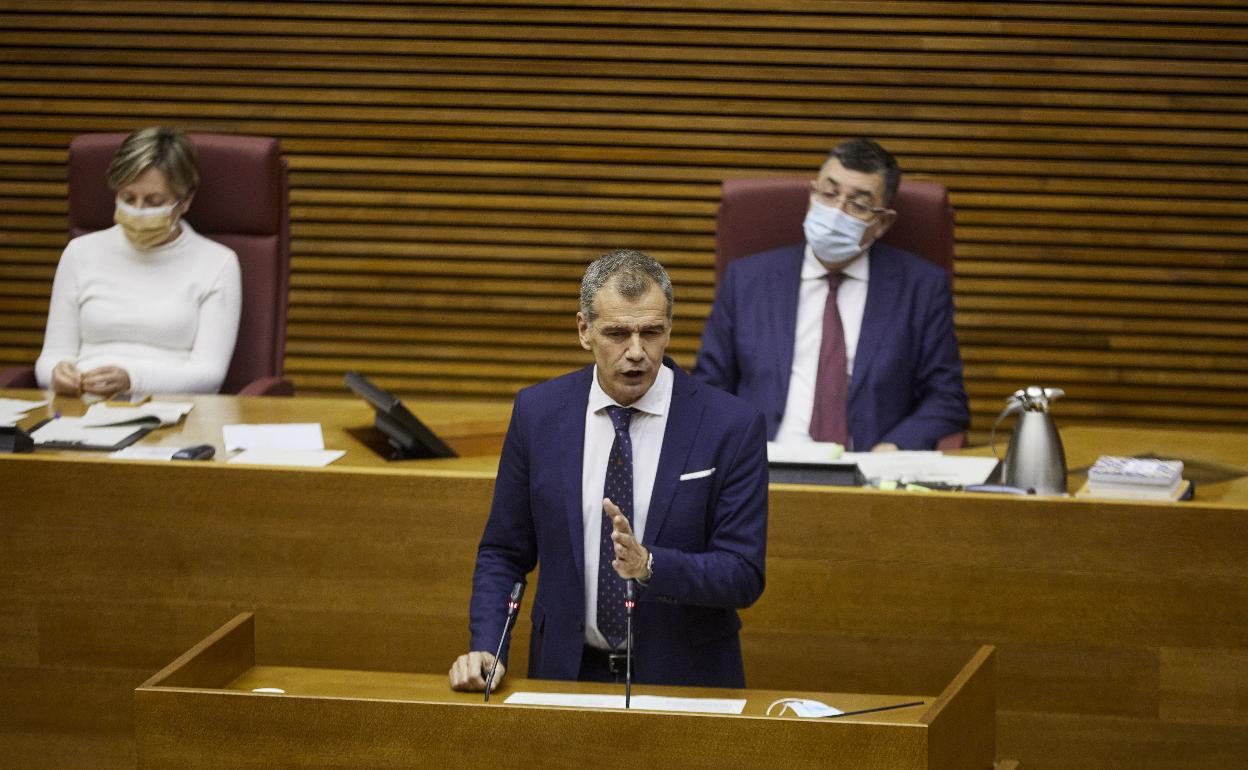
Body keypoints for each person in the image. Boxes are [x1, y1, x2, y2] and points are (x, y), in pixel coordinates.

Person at [449, 249, 768, 692]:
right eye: (618, 333)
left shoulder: (730, 425)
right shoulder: (539, 413)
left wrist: (651, 564)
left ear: (669, 329)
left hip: (688, 678)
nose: (636, 352)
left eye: (651, 333)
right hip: (566, 673)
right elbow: (504, 552)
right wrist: (488, 646)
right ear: (584, 330)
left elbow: (743, 574)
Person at [693, 138, 969, 451]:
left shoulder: (920, 288)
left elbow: (947, 398)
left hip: (867, 472)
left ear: (882, 222)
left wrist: (893, 447)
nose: (837, 211)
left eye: (858, 203)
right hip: (761, 466)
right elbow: (707, 387)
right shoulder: (746, 280)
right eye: (829, 193)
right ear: (812, 195)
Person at [34, 127, 241, 398]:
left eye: (154, 201)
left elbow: (209, 376)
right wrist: (56, 374)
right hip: (80, 411)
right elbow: (52, 357)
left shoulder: (218, 263)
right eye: (128, 198)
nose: (139, 211)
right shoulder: (80, 253)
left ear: (185, 200)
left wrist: (132, 379)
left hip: (170, 414)